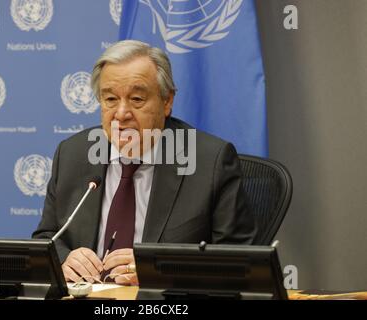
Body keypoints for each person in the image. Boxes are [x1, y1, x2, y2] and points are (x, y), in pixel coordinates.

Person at [32, 40, 257, 286]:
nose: (121, 113)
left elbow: (239, 262)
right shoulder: (73, 154)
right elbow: (47, 237)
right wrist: (63, 259)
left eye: (137, 99)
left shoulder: (209, 162)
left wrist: (158, 271)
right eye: (110, 99)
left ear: (167, 101)